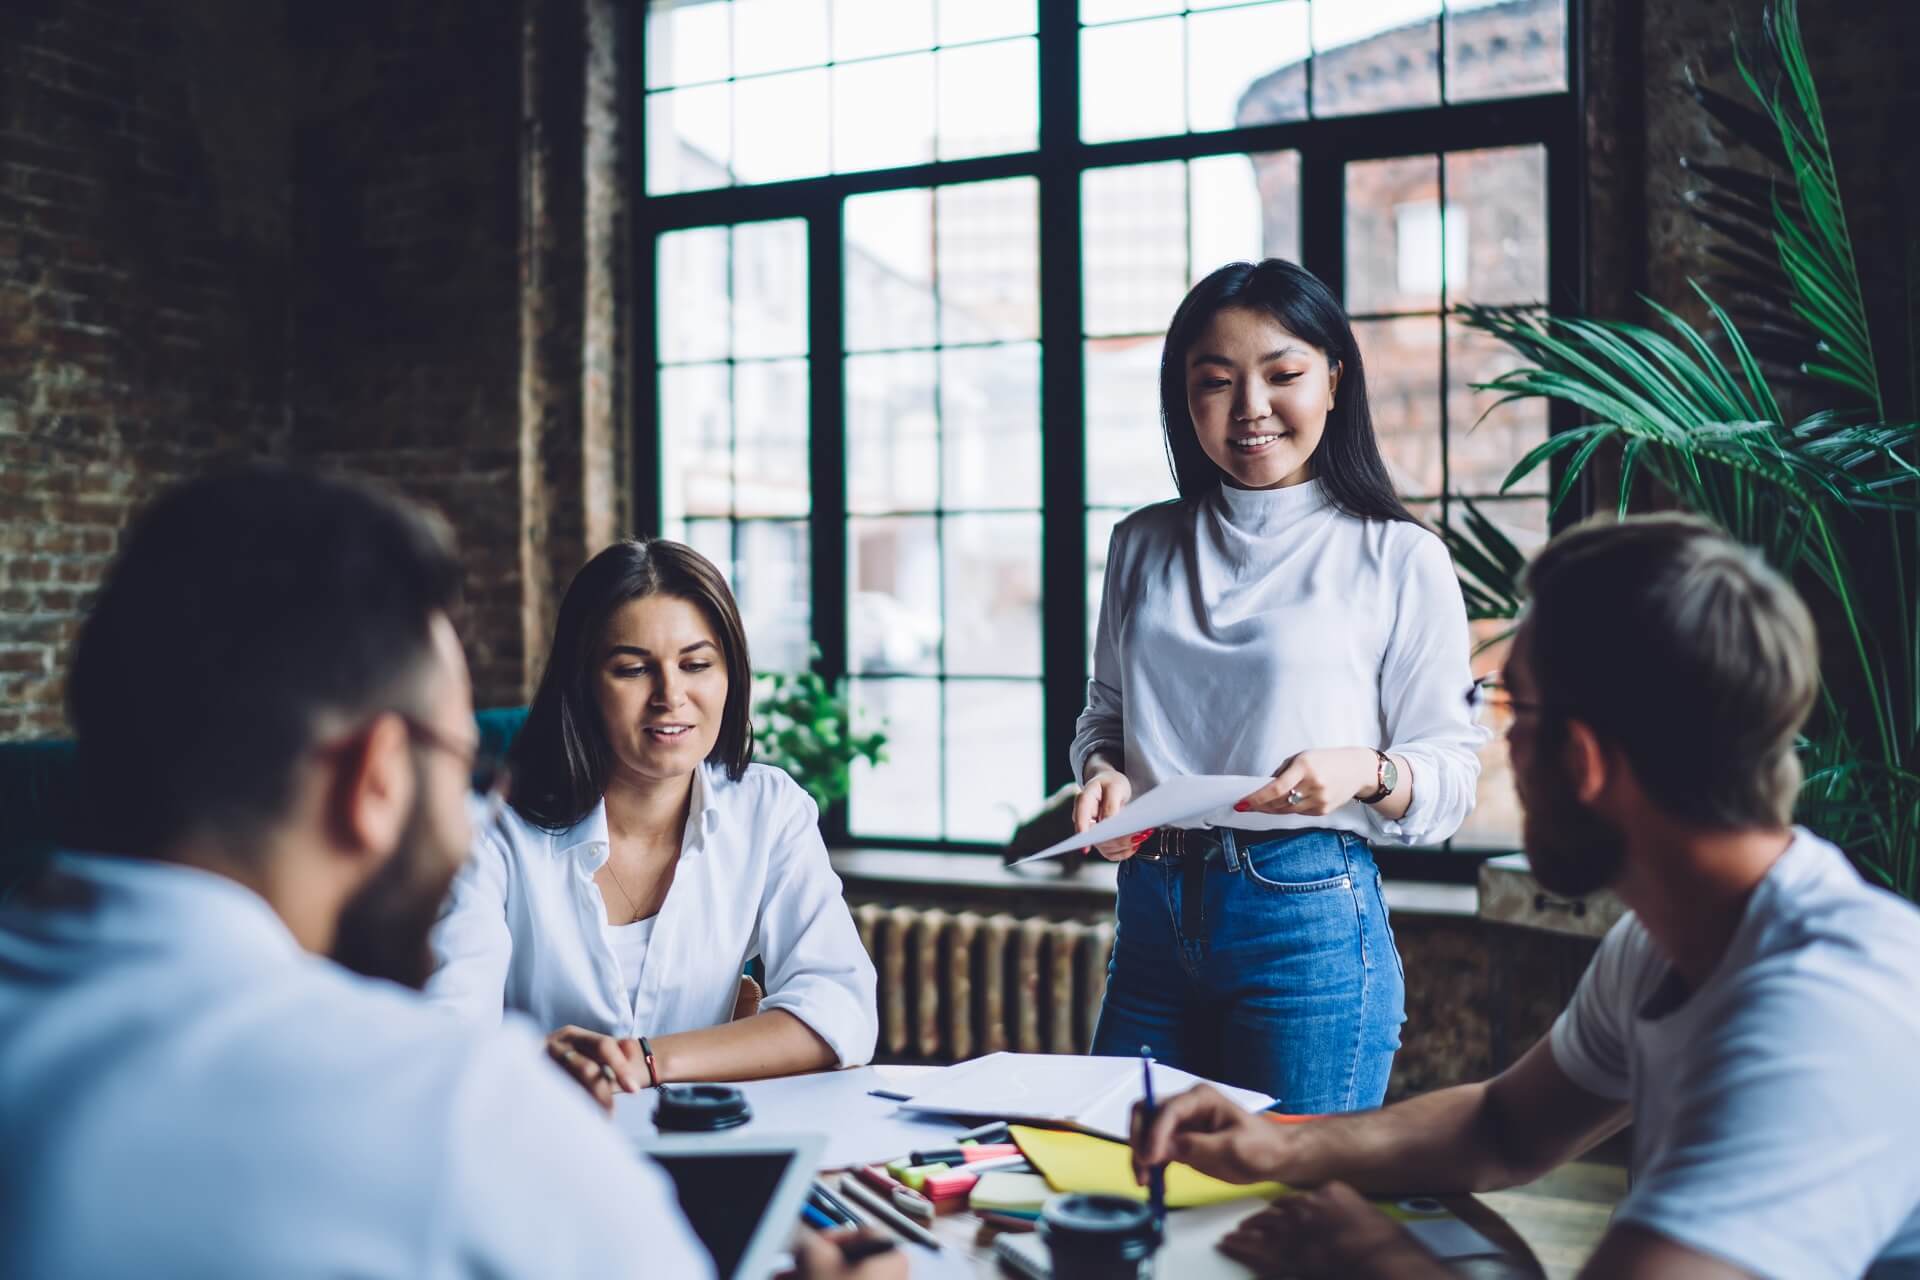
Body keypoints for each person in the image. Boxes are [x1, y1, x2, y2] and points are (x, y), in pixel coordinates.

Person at [0, 468, 898, 1280]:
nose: (472, 810)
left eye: (697, 664)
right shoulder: (455, 1116)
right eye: (458, 760)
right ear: (377, 780)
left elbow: (838, 1007)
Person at [1132, 515, 1920, 1280]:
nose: (1502, 744)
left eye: (1513, 709)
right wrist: (1280, 1146)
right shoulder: (1661, 945)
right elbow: (1502, 1127)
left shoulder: (1820, 1012)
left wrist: (1378, 1261)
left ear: (1580, 757)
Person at [1071, 258, 1483, 1111]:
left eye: (1283, 375)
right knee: (1118, 1185)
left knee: (1282, 1219)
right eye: (1215, 383)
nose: (1250, 408)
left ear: (1334, 378)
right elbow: (1105, 716)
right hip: (1154, 905)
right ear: (1184, 402)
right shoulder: (1142, 544)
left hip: (1307, 917)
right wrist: (1102, 775)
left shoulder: (1397, 557)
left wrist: (1368, 770)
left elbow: (1451, 771)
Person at [428, 539, 878, 1105]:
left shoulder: (768, 810)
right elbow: (448, 1034)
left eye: (696, 665)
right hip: (535, 1148)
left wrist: (646, 1060)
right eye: (634, 669)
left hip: (708, 1149)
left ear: (730, 675)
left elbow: (842, 1008)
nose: (671, 696)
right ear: (583, 684)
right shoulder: (492, 831)